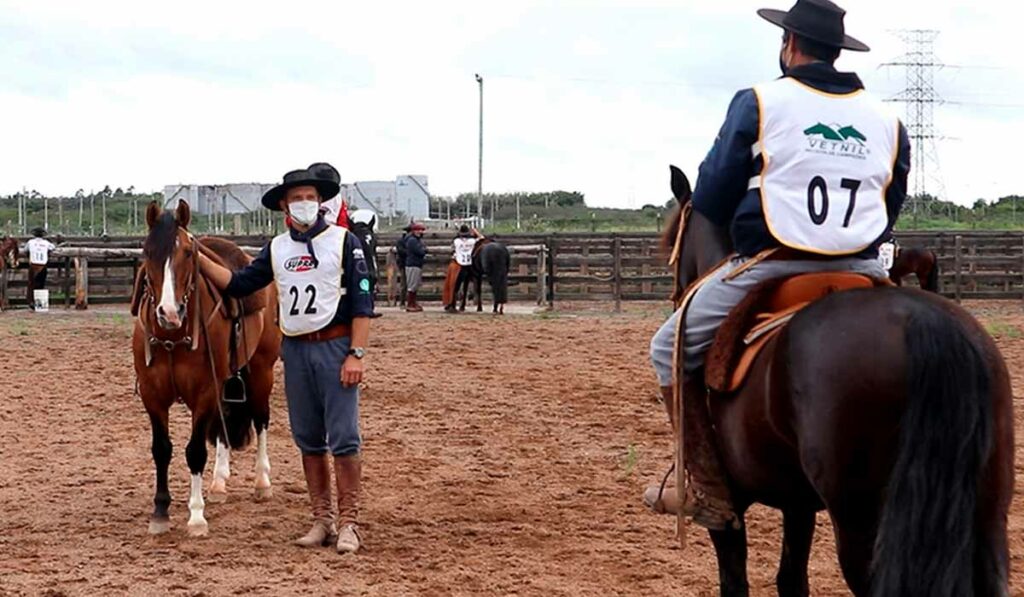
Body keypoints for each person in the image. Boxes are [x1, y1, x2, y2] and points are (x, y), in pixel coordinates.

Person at [645, 0, 910, 530]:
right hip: (864, 268)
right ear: (837, 53)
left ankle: (704, 483)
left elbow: (714, 200)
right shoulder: (886, 117)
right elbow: (891, 202)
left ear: (788, 45)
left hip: (775, 264)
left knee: (666, 347)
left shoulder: (760, 102)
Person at [198, 165, 374, 554]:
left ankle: (349, 523)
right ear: (284, 206)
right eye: (298, 198)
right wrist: (197, 255)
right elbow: (241, 283)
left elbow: (363, 302)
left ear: (321, 201)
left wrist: (356, 353)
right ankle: (321, 518)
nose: (306, 204)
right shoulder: (277, 248)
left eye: (312, 197)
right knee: (308, 437)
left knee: (343, 437)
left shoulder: (346, 242)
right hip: (294, 349)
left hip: (335, 344)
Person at [445, 225, 479, 312]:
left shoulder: (456, 241)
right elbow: (482, 238)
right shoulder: (472, 241)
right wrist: (475, 232)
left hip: (457, 264)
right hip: (468, 264)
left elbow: (452, 249)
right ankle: (470, 296)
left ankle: (451, 304)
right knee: (475, 278)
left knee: (454, 285)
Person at [25, 227, 56, 310]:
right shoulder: (46, 243)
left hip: (33, 265)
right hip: (43, 265)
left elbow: (26, 250)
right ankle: (39, 303)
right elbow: (53, 247)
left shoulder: (30, 242)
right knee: (41, 284)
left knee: (31, 284)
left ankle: (31, 302)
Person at [403, 222, 428, 312]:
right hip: (412, 264)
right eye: (419, 230)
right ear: (414, 231)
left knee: (415, 285)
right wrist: (424, 250)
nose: (421, 232)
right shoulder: (412, 240)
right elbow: (420, 251)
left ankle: (413, 303)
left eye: (422, 230)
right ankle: (410, 304)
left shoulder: (416, 240)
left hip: (417, 264)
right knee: (412, 285)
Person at [395, 224, 412, 307]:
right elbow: (401, 251)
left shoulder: (402, 240)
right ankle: (402, 301)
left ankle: (408, 301)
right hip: (404, 263)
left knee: (408, 283)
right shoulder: (402, 241)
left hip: (406, 262)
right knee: (404, 283)